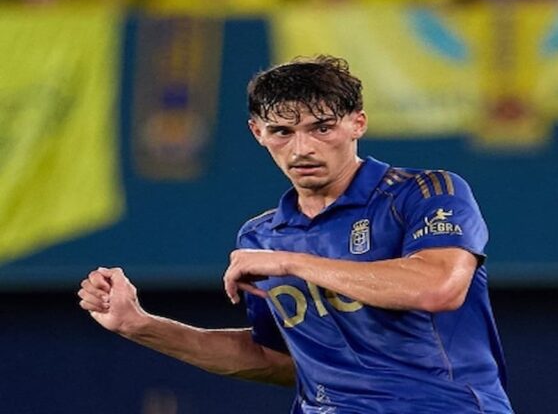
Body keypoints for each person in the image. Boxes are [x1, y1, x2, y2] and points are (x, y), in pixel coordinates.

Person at [77, 55, 514, 413]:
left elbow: (439, 287)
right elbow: (277, 360)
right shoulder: (261, 237)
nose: (302, 148)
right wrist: (141, 325)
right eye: (282, 132)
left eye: (321, 128)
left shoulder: (426, 192)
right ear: (257, 134)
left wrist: (292, 263)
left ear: (357, 123)